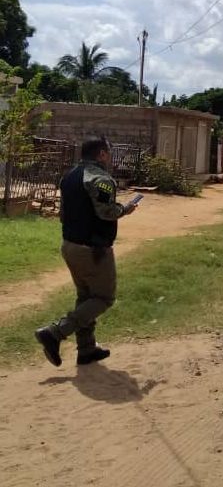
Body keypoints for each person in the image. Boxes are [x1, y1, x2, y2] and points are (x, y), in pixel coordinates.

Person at [34, 136, 138, 366]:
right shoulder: (100, 179)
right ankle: (55, 333)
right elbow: (106, 212)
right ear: (101, 154)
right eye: (108, 153)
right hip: (92, 250)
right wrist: (125, 209)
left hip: (70, 245)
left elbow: (63, 213)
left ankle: (87, 349)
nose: (110, 157)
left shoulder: (69, 176)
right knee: (103, 298)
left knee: (86, 298)